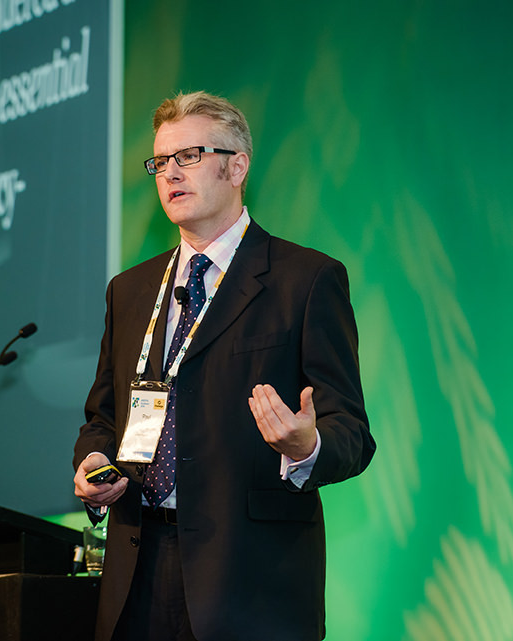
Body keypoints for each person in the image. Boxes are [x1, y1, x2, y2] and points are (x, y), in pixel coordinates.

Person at [73, 91, 375, 641]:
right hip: (136, 570)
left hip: (250, 581)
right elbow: (103, 415)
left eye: (188, 156)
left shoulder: (305, 280)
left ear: (237, 166)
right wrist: (95, 459)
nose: (170, 173)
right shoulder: (132, 290)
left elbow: (350, 431)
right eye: (161, 161)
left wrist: (306, 447)